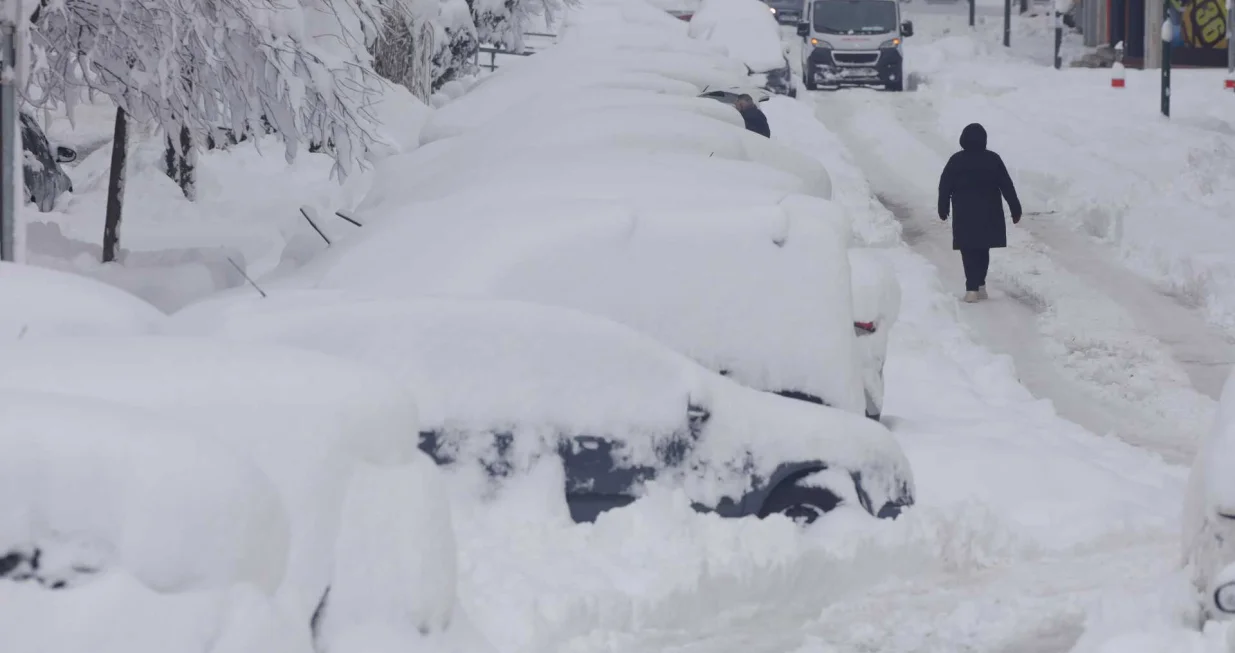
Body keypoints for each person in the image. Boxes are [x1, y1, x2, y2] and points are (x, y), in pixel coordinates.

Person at [937, 122, 1022, 303]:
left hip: (964, 214)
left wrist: (942, 207)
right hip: (989, 213)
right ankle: (980, 285)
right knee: (983, 249)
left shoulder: (956, 160)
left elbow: (945, 185)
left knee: (968, 250)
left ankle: (972, 288)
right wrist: (1016, 208)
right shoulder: (993, 159)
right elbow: (1007, 185)